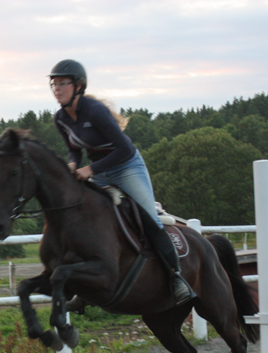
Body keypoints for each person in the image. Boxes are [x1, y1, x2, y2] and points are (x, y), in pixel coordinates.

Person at [49, 59, 195, 306]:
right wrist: (73, 164)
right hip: (99, 171)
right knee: (87, 218)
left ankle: (176, 278)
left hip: (127, 167)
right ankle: (86, 286)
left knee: (150, 220)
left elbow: (124, 150)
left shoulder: (95, 111)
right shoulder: (60, 118)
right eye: (54, 84)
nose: (57, 89)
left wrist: (90, 169)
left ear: (79, 86)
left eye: (63, 83)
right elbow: (73, 149)